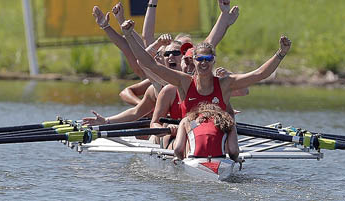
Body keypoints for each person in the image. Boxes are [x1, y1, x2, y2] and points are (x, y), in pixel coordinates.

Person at [120, 15, 292, 119]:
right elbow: (149, 63)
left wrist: (280, 53)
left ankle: (231, 153)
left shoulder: (225, 83)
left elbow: (260, 74)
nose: (203, 63)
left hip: (217, 136)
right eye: (200, 59)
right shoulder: (183, 81)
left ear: (213, 61)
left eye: (207, 59)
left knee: (229, 130)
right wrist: (128, 35)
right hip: (188, 136)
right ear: (193, 60)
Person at [174, 103, 240, 163]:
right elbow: (233, 151)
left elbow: (178, 149)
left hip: (194, 161)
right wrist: (235, 159)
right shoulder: (227, 121)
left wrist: (181, 160)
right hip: (219, 160)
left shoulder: (187, 121)